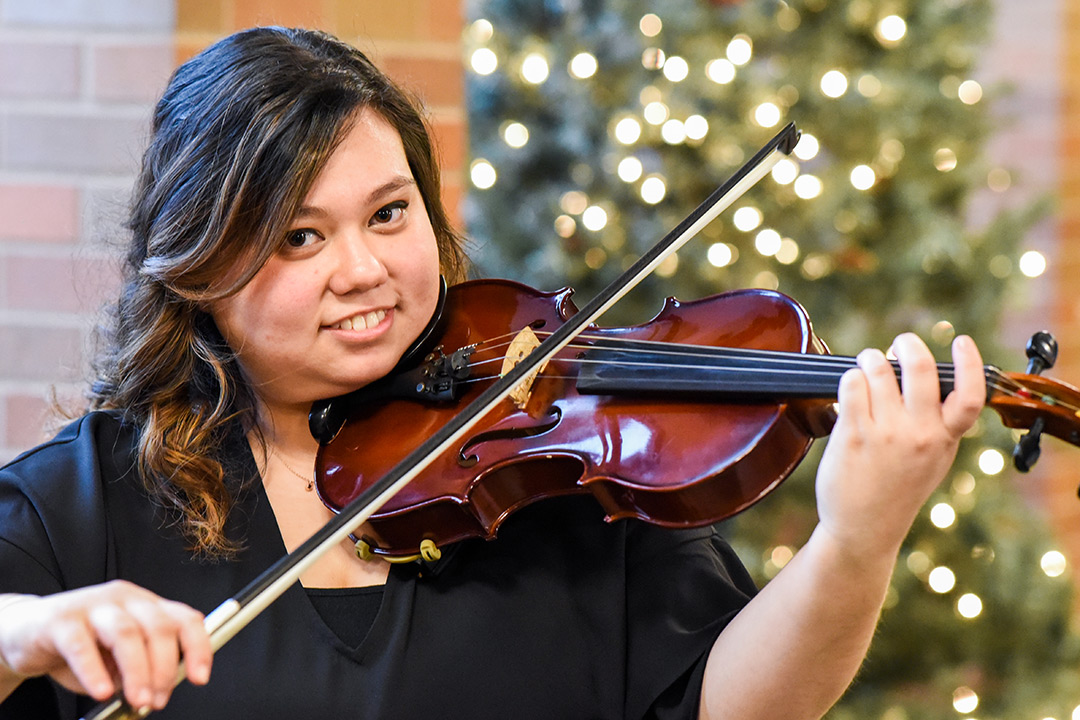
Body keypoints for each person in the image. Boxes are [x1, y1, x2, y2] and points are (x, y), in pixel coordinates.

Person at [0, 26, 985, 720]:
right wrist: (27, 634)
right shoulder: (89, 504)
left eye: (390, 213)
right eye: (300, 237)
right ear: (200, 268)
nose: (365, 270)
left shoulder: (562, 461)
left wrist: (858, 536)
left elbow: (730, 706)